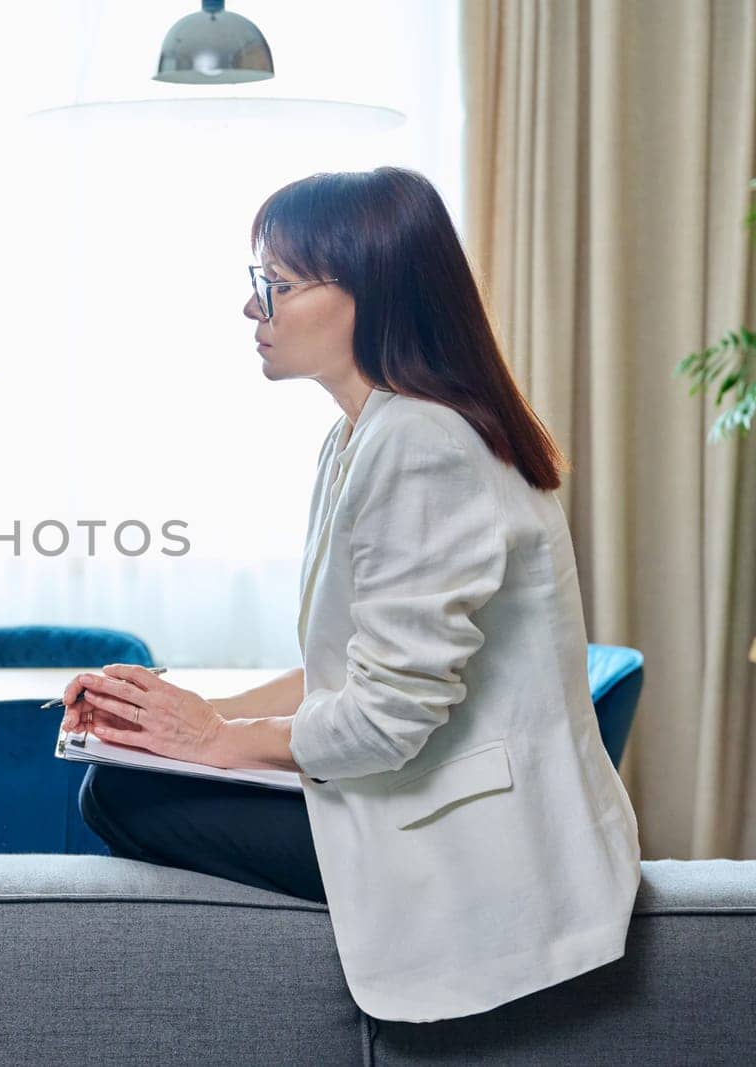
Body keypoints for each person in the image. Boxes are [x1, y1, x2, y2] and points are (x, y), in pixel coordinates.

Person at [60, 167, 640, 1023]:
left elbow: (385, 719)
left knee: (121, 795)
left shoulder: (423, 443)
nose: (253, 309)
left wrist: (217, 739)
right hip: (427, 787)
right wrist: (182, 719)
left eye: (277, 285)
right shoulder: (365, 434)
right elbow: (349, 666)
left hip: (477, 845)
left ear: (372, 292)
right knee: (133, 775)